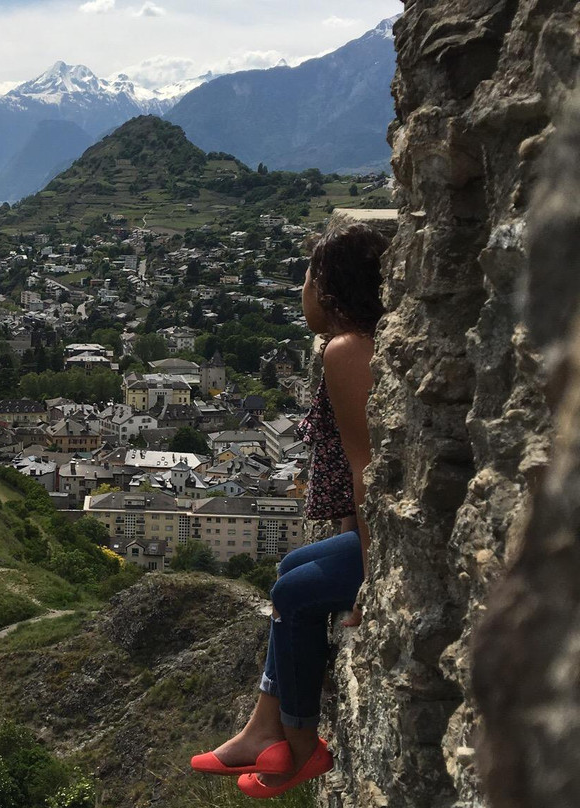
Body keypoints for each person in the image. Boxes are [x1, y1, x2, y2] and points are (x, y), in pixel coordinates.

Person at [190, 222, 391, 798]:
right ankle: (263, 728)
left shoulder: (347, 351)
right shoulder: (356, 347)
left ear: (328, 288)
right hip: (377, 531)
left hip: (388, 542)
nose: (301, 288)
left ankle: (300, 748)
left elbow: (365, 468)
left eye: (307, 275)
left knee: (291, 594)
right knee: (288, 570)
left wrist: (374, 582)